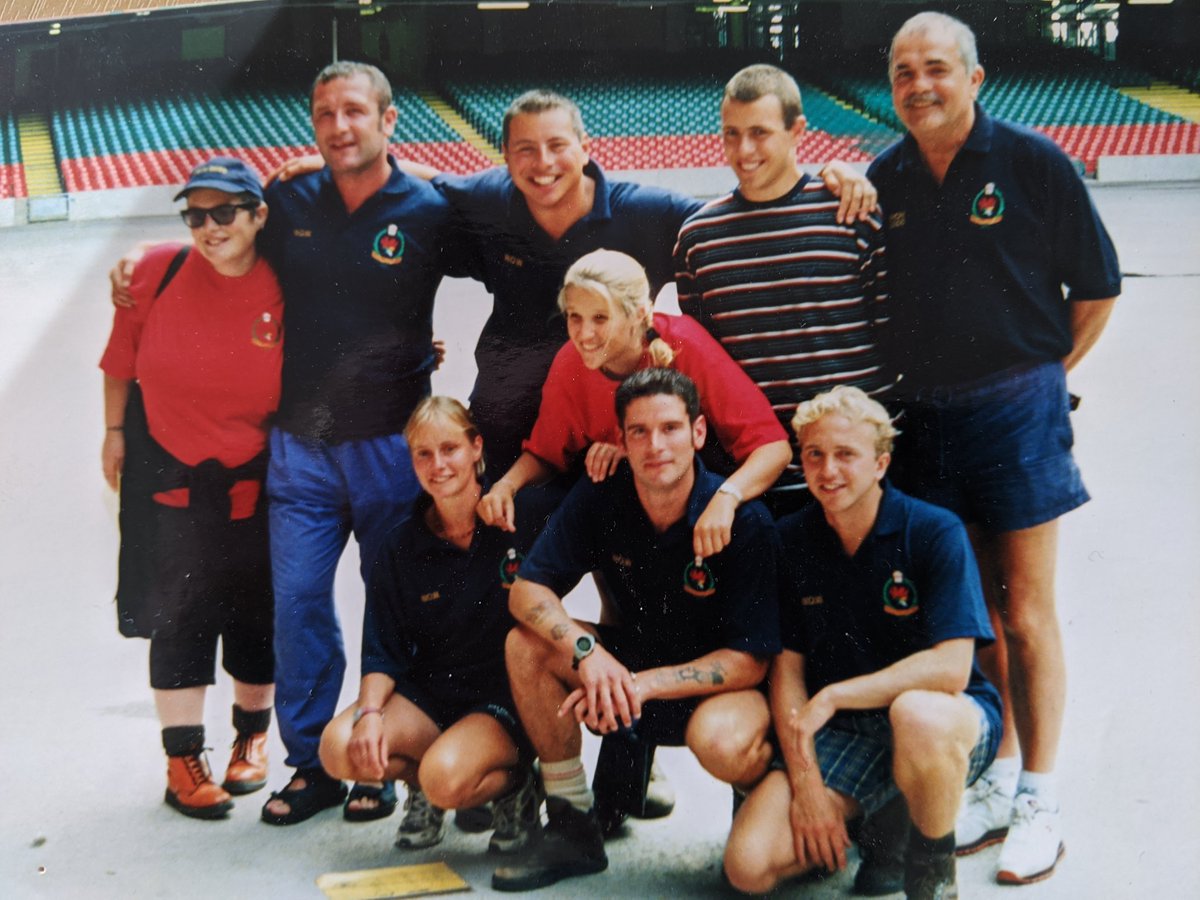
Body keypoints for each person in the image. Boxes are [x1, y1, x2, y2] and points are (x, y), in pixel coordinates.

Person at [109, 61, 464, 825]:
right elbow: (218, 233)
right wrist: (134, 268)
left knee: (392, 603)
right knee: (298, 601)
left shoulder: (434, 209)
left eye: (355, 112)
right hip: (298, 448)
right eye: (325, 114)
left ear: (389, 119)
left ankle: (381, 763)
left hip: (387, 447)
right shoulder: (287, 198)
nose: (339, 127)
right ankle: (312, 765)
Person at [867, 12, 1120, 884]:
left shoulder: (1033, 163)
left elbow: (1096, 288)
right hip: (924, 420)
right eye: (903, 72)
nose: (919, 85)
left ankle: (1042, 798)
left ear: (975, 79)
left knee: (1027, 610)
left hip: (1015, 409)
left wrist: (1043, 374)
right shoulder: (886, 174)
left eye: (936, 67)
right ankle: (1001, 773)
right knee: (973, 618)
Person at [491, 368, 781, 892]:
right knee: (526, 644)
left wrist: (640, 685)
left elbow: (749, 660)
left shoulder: (743, 520)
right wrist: (587, 653)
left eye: (670, 428)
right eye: (639, 432)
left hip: (712, 690)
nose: (656, 445)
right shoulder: (602, 494)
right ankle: (572, 824)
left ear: (697, 433)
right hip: (626, 669)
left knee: (724, 744)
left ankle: (757, 816)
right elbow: (526, 591)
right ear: (620, 440)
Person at [723, 386, 1002, 899]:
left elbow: (951, 669)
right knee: (747, 866)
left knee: (917, 715)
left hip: (941, 719)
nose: (828, 470)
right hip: (847, 732)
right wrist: (806, 786)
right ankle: (868, 819)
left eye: (845, 455)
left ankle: (930, 866)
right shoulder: (790, 540)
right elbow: (786, 673)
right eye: (814, 455)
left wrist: (833, 695)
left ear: (880, 463)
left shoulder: (933, 530)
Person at [99, 157, 281, 819]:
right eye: (195, 215)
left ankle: (251, 743)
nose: (208, 227)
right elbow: (120, 361)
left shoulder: (285, 284)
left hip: (254, 483)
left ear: (259, 216)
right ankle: (183, 759)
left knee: (256, 617)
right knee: (176, 618)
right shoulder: (154, 272)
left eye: (224, 212)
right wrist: (114, 431)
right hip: (168, 480)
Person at [319, 397, 542, 855]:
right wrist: (370, 715)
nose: (437, 465)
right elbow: (381, 650)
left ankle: (515, 786)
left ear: (476, 447)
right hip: (433, 695)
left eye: (449, 449)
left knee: (445, 779)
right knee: (339, 748)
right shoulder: (400, 543)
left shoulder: (517, 519)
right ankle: (425, 785)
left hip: (502, 699)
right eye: (423, 453)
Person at [674, 64, 891, 517]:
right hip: (765, 484)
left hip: (860, 482)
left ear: (797, 131)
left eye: (759, 132)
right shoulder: (698, 239)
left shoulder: (852, 215)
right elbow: (709, 369)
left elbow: (893, 341)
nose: (743, 150)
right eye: (731, 134)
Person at [478, 248, 791, 561]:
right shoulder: (570, 363)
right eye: (575, 317)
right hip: (631, 503)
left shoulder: (684, 344)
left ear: (640, 314)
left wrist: (727, 498)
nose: (584, 334)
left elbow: (774, 448)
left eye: (601, 318)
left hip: (700, 493)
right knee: (529, 506)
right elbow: (547, 453)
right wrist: (506, 485)